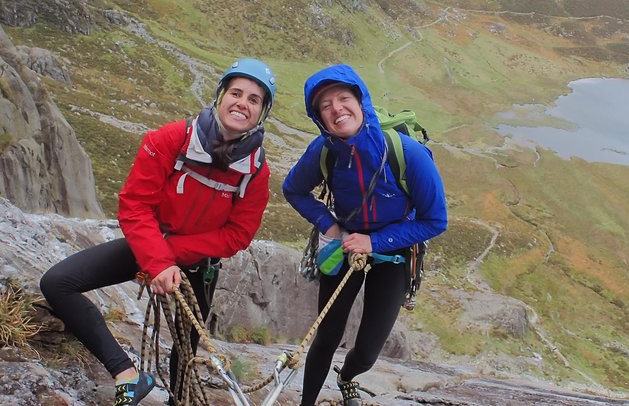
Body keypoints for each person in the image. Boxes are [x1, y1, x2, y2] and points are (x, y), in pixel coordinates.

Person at [40, 58, 277, 406]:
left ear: (261, 113)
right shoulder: (171, 139)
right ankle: (127, 375)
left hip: (196, 266)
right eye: (236, 92)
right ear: (220, 96)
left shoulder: (255, 171)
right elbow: (135, 205)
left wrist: (170, 255)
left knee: (185, 356)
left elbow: (238, 235)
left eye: (254, 99)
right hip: (148, 246)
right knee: (57, 283)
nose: (242, 102)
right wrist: (157, 258)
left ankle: (179, 399)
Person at [282, 64, 447, 406]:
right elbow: (293, 190)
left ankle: (347, 377)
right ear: (320, 119)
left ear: (361, 100)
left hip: (395, 251)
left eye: (343, 98)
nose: (337, 109)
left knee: (369, 351)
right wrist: (329, 225)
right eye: (325, 106)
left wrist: (375, 243)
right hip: (344, 245)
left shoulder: (407, 154)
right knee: (326, 336)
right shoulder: (323, 151)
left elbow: (435, 220)